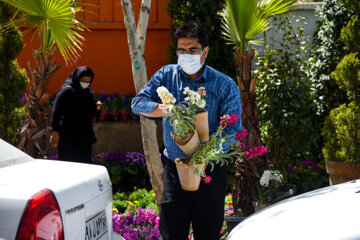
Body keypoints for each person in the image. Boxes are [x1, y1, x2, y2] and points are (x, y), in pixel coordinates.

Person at [131, 22, 242, 240]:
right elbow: (138, 103)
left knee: (208, 233)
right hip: (174, 170)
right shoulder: (166, 76)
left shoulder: (223, 84)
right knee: (172, 233)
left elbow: (233, 130)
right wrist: (166, 109)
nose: (186, 55)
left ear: (205, 51)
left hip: (209, 172)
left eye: (193, 50)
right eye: (181, 50)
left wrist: (204, 155)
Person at [50, 66, 101, 164]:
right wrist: (54, 131)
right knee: (69, 164)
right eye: (83, 81)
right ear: (77, 78)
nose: (85, 84)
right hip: (68, 137)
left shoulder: (88, 93)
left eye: (88, 82)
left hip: (84, 137)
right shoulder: (67, 91)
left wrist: (97, 109)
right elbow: (56, 111)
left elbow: (89, 112)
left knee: (84, 164)